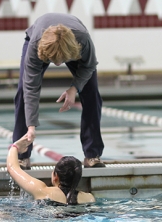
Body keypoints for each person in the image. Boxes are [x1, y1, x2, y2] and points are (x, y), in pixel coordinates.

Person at [12, 13, 105, 169]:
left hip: (72, 44)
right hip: (38, 40)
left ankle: (92, 155)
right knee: (22, 92)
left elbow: (89, 66)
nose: (56, 65)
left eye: (60, 60)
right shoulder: (36, 46)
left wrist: (74, 88)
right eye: (52, 60)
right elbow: (31, 88)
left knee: (92, 94)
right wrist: (31, 127)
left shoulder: (82, 40)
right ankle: (22, 157)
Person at [7, 135, 96, 205]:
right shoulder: (89, 198)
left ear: (56, 176)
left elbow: (12, 168)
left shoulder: (43, 192)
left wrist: (14, 147)